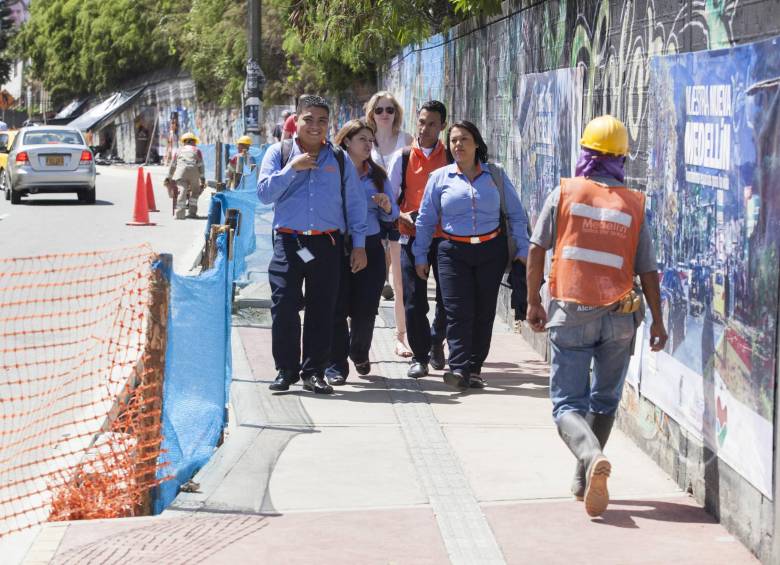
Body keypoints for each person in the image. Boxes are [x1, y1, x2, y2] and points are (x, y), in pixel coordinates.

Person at [525, 115, 668, 518]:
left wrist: (533, 301)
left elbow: (536, 248)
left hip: (572, 313)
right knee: (604, 400)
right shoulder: (633, 204)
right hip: (621, 318)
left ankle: (589, 457)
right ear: (621, 158)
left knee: (566, 405)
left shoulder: (565, 193)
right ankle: (583, 477)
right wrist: (658, 321)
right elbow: (648, 270)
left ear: (585, 152)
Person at [258, 95, 368, 395]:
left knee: (322, 309)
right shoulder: (278, 153)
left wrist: (359, 245)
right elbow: (264, 194)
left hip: (327, 243)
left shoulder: (339, 159)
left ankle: (314, 372)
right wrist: (292, 168)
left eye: (322, 120)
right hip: (289, 241)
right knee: (284, 304)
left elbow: (355, 204)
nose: (315, 126)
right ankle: (286, 370)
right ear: (296, 120)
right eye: (308, 119)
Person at [413, 121, 530, 390]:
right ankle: (458, 368)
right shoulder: (439, 178)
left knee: (483, 311)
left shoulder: (495, 175)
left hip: (491, 250)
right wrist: (420, 255)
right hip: (452, 252)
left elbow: (516, 215)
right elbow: (425, 221)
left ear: (476, 143)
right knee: (457, 311)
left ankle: (475, 368)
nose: (458, 145)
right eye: (453, 140)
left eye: (464, 139)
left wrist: (523, 251)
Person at [325, 119, 400, 385]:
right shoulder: (331, 170)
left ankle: (359, 351)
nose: (368, 145)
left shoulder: (377, 175)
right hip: (336, 244)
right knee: (336, 306)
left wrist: (386, 206)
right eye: (362, 139)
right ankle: (335, 364)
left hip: (370, 244)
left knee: (366, 307)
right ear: (346, 141)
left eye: (371, 140)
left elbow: (393, 213)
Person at [387, 100, 450, 379]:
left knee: (448, 300)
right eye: (422, 122)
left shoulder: (451, 157)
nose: (424, 129)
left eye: (432, 124)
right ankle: (420, 357)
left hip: (445, 238)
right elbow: (389, 199)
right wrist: (402, 215)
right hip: (411, 237)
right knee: (413, 301)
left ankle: (436, 339)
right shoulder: (402, 157)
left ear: (442, 126)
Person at [364, 91, 414, 358]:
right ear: (371, 113)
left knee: (399, 282)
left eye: (390, 110)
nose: (385, 114)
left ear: (397, 113)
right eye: (379, 110)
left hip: (397, 216)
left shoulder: (407, 140)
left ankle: (401, 338)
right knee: (364, 280)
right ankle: (358, 337)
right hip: (369, 218)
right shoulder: (365, 139)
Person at [166, 132, 205, 220]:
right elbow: (201, 165)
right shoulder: (197, 150)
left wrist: (169, 177)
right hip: (194, 173)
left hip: (181, 173)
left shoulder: (179, 150)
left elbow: (173, 165)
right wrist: (202, 178)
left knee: (182, 191)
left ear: (184, 141)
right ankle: (192, 213)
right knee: (195, 191)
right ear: (193, 141)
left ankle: (180, 214)